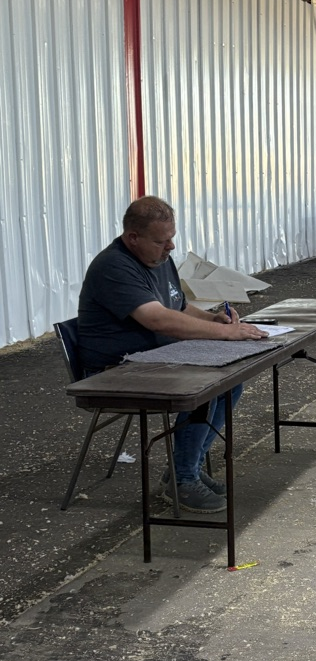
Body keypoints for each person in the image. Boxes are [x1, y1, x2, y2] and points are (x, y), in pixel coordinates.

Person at [77, 196, 268, 513]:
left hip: (155, 357)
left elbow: (178, 306)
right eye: (160, 241)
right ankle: (183, 479)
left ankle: (185, 468)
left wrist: (213, 320)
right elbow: (157, 319)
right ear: (133, 237)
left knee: (230, 383)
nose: (170, 247)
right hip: (114, 370)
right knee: (204, 385)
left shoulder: (158, 259)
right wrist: (227, 333)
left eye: (171, 238)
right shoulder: (114, 266)